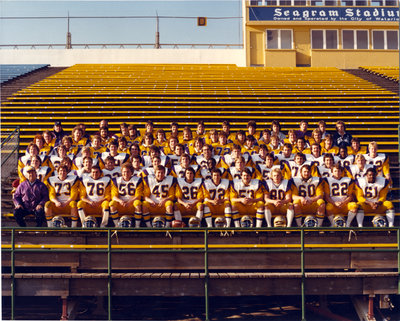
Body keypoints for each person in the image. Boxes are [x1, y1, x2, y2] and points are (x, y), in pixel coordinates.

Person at [110, 163, 145, 228]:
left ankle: (137, 226)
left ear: (131, 172)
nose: (125, 174)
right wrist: (120, 201)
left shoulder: (137, 180)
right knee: (112, 204)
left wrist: (129, 202)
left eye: (128, 172)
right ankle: (116, 225)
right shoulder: (116, 180)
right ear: (121, 172)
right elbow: (113, 196)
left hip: (131, 204)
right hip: (121, 204)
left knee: (137, 203)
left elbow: (138, 196)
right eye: (124, 172)